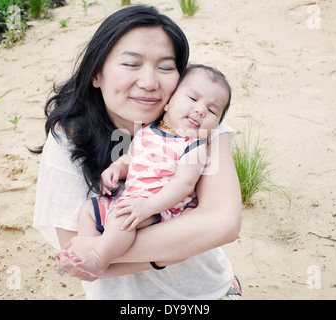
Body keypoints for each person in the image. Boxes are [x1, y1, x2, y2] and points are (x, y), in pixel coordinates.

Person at [33, 5, 242, 299]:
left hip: (206, 294)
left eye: (166, 67)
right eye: (131, 64)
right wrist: (177, 246)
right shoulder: (68, 139)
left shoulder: (199, 122)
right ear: (96, 73)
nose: (149, 83)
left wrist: (102, 254)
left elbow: (223, 224)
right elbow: (72, 247)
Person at [61, 64, 232, 277]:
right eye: (192, 99)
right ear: (168, 103)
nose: (200, 110)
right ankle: (84, 252)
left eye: (212, 110)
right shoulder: (148, 130)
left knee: (123, 219)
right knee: (90, 209)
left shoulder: (192, 147)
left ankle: (98, 258)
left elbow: (184, 183)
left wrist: (149, 206)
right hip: (133, 198)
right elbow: (130, 157)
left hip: (161, 208)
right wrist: (116, 169)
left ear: (216, 125)